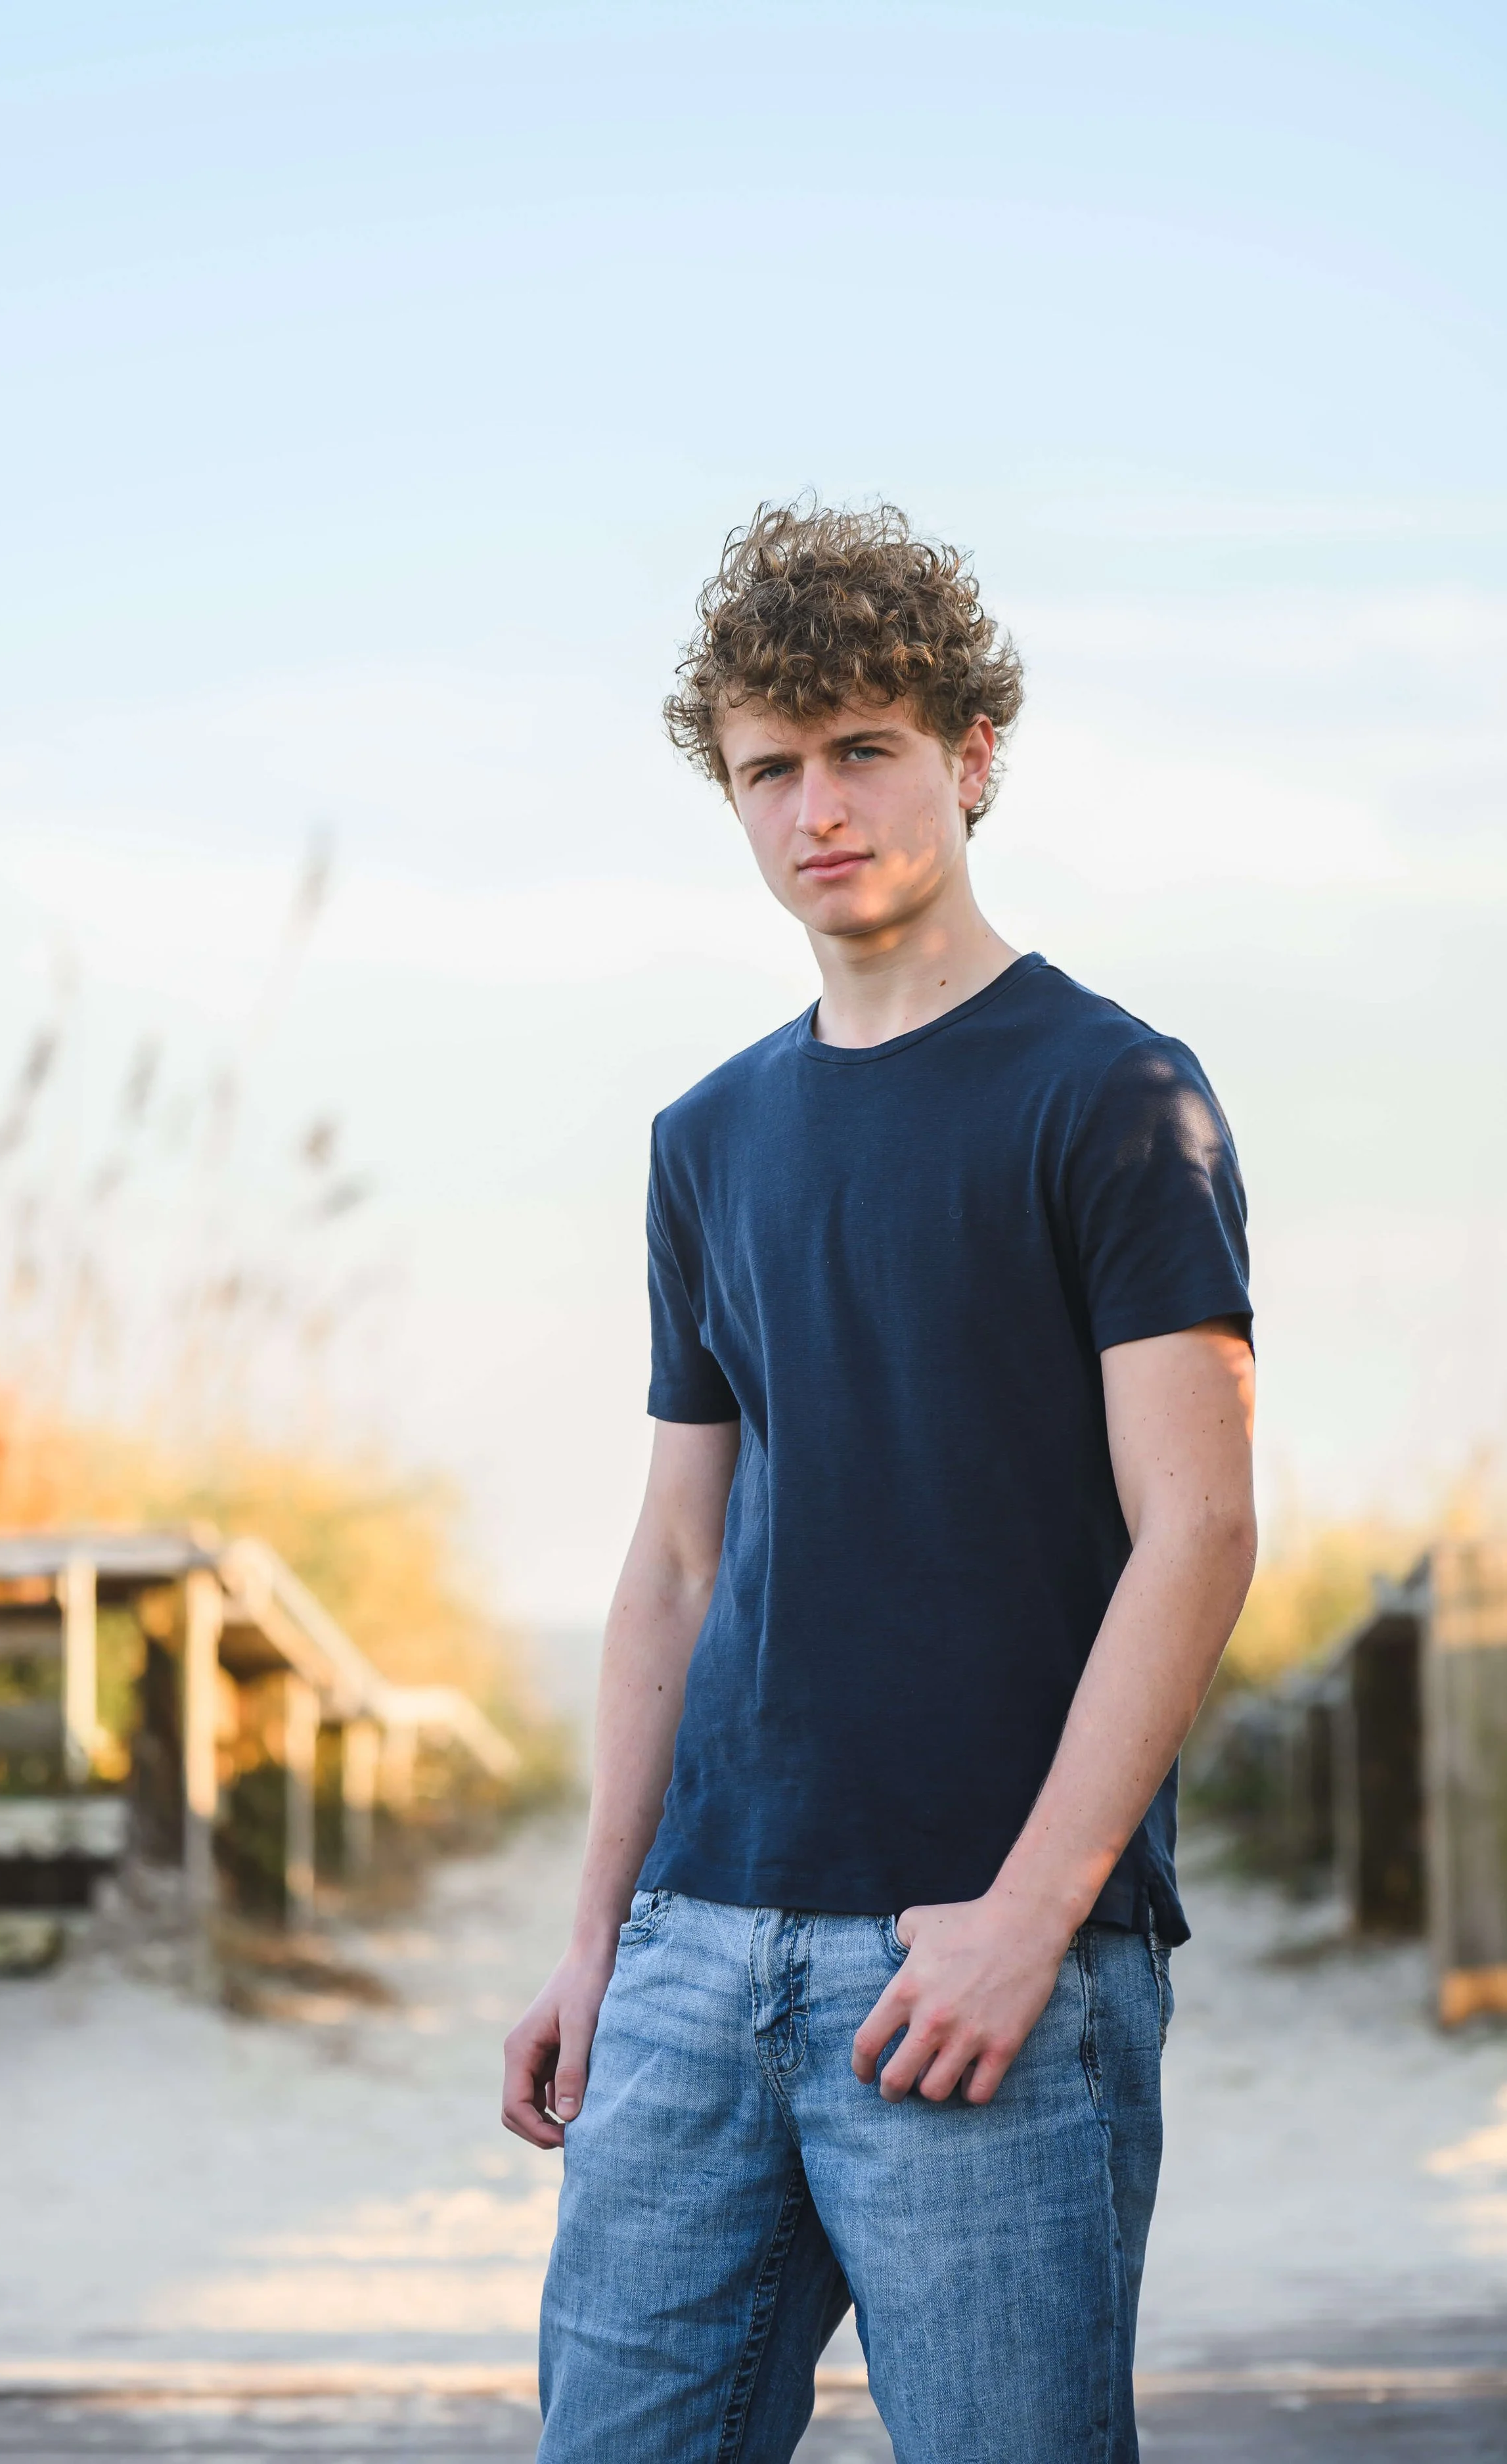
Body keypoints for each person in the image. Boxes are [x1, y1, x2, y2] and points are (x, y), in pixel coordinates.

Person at [503, 501, 1257, 2464]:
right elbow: (675, 1560)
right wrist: (599, 1936)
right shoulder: (705, 1135)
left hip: (976, 1956)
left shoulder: (1113, 1095)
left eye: (863, 748)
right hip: (693, 1952)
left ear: (969, 754)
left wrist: (1031, 1911)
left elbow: (1200, 1524)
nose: (815, 805)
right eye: (770, 766)